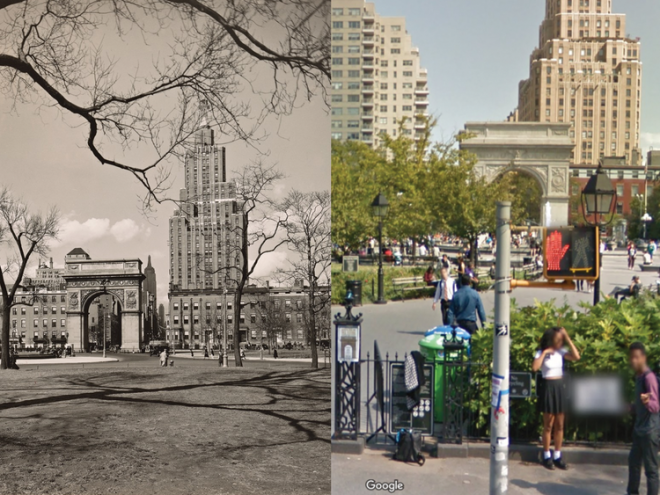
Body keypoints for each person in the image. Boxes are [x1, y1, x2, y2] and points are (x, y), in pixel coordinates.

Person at [532, 327, 580, 470]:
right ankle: (546, 454)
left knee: (560, 424)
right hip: (548, 386)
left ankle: (557, 454)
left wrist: (568, 338)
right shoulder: (541, 352)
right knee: (548, 424)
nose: (560, 341)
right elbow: (535, 368)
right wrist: (545, 352)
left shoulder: (561, 352)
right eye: (558, 339)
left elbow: (576, 357)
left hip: (559, 387)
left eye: (561, 339)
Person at [627, 341, 660, 495]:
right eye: (631, 357)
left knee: (651, 470)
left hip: (650, 431)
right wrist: (630, 407)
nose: (633, 360)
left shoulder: (649, 378)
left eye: (636, 357)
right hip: (639, 430)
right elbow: (640, 405)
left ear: (643, 358)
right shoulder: (639, 377)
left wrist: (647, 402)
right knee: (633, 464)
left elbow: (655, 406)